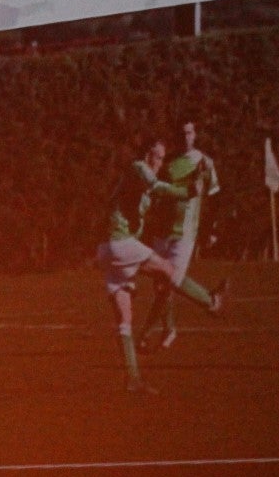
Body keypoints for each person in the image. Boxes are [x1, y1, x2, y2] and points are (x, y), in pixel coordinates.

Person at [96, 132, 223, 394]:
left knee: (124, 317)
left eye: (163, 158)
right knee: (167, 269)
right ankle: (210, 302)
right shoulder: (138, 167)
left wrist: (194, 179)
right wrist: (188, 191)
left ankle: (133, 379)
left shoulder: (143, 179)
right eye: (158, 157)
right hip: (120, 241)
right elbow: (156, 187)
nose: (160, 163)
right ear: (148, 154)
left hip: (107, 249)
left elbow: (156, 195)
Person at [137, 118, 225, 352]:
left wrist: (211, 230)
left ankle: (146, 333)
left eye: (189, 132)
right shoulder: (168, 162)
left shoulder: (204, 162)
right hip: (162, 230)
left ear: (195, 134)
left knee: (172, 280)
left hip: (185, 231)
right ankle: (170, 327)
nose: (186, 137)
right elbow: (157, 191)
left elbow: (215, 197)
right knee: (161, 285)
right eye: (182, 133)